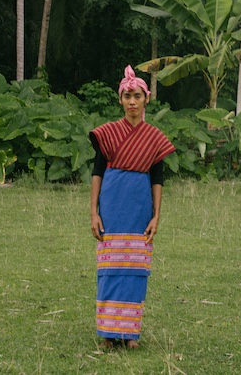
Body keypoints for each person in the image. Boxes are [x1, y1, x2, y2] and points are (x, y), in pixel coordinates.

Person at [89, 66, 175, 349]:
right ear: (120, 100)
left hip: (140, 207)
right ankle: (108, 333)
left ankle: (129, 333)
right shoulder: (108, 134)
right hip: (112, 205)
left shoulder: (154, 138)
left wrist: (157, 215)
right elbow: (97, 172)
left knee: (135, 268)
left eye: (137, 96)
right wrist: (94, 211)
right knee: (111, 268)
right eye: (127, 96)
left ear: (145, 99)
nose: (132, 102)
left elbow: (157, 179)